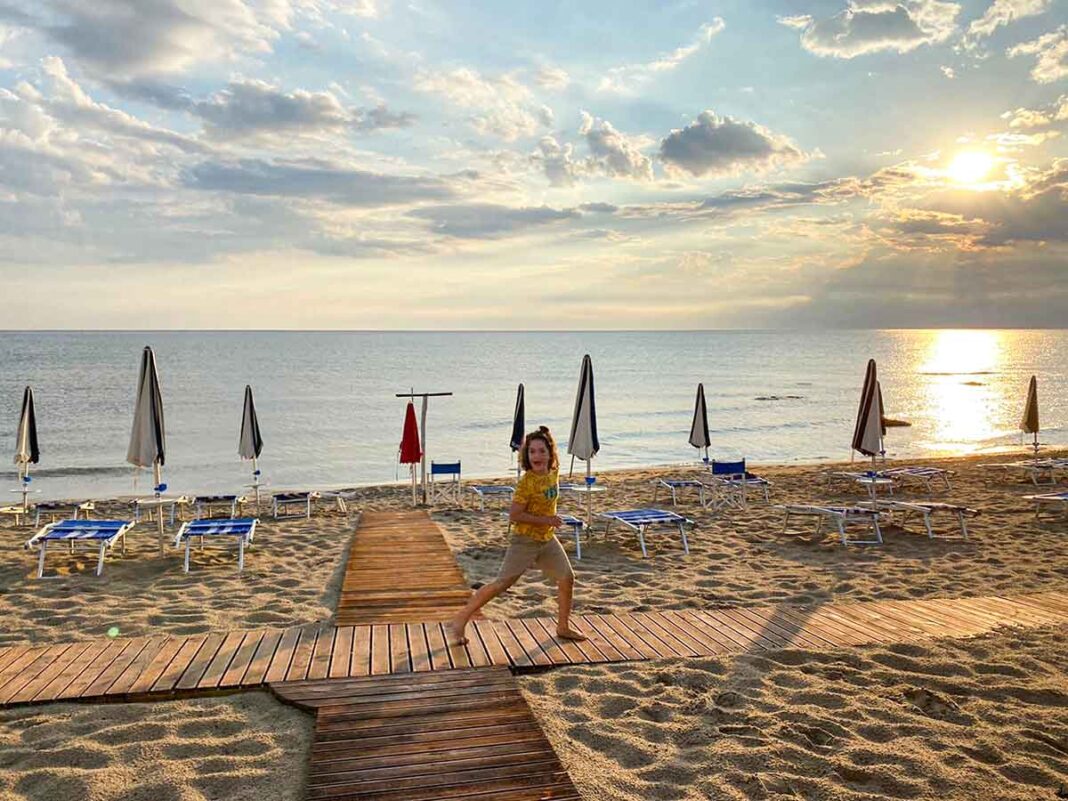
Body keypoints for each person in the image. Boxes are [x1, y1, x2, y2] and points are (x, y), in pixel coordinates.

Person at [448, 426, 586, 645]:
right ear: (526, 455)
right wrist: (547, 520)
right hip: (525, 541)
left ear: (550, 453)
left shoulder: (554, 472)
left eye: (542, 451)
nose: (537, 456)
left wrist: (546, 433)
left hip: (547, 539)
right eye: (532, 452)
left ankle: (563, 627)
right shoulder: (526, 483)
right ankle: (460, 620)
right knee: (501, 584)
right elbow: (515, 515)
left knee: (567, 578)